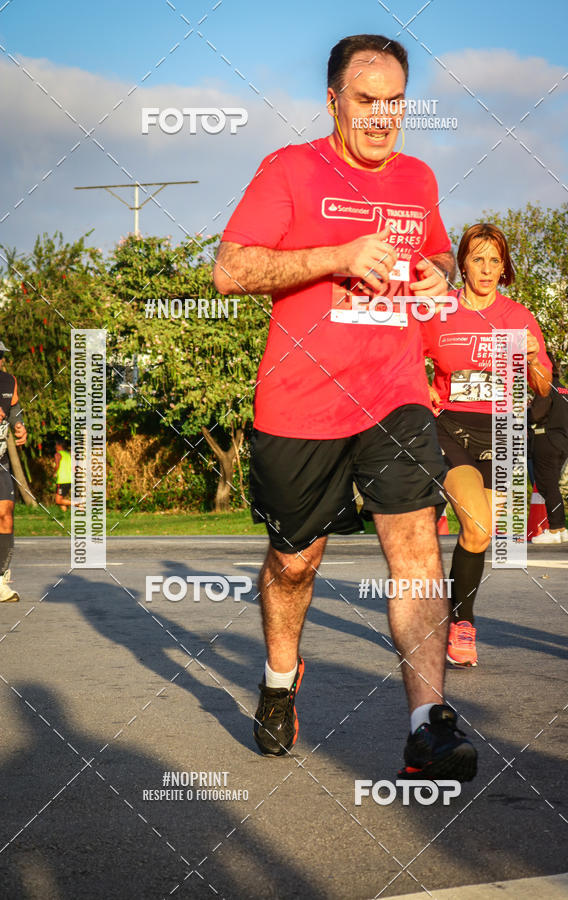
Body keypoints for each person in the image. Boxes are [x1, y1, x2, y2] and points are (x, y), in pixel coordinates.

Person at [213, 34, 477, 781]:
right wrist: (337, 255)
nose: (381, 117)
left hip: (395, 394)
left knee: (417, 547)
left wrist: (438, 270)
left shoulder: (418, 179)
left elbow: (438, 252)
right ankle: (279, 678)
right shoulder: (291, 169)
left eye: (395, 102)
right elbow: (231, 269)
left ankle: (428, 725)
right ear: (333, 101)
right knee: (296, 563)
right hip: (300, 404)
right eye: (366, 102)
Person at [422, 224, 552, 666]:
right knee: (476, 525)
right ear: (462, 263)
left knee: (481, 538)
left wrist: (534, 359)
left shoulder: (519, 317)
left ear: (505, 267)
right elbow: (399, 359)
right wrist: (425, 389)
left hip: (503, 432)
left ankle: (455, 615)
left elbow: (543, 387)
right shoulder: (438, 311)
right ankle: (463, 625)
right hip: (451, 429)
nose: (486, 269)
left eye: (494, 260)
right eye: (477, 258)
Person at [530, 353, 568, 543]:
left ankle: (555, 529)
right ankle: (561, 527)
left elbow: (536, 415)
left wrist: (526, 410)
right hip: (562, 440)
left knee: (548, 486)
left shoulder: (545, 387)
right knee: (552, 485)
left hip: (545, 440)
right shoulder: (564, 389)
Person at [0, 341, 27, 602]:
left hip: (0, 460)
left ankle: (0, 578)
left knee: (6, 511)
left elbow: (15, 412)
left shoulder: (9, 382)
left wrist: (19, 426)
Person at [54, 439, 72, 510]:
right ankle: (64, 515)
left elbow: (57, 465)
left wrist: (54, 472)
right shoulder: (68, 454)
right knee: (61, 499)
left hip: (62, 480)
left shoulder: (58, 454)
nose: (55, 447)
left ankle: (77, 504)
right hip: (69, 480)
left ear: (59, 446)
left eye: (56, 445)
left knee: (58, 501)